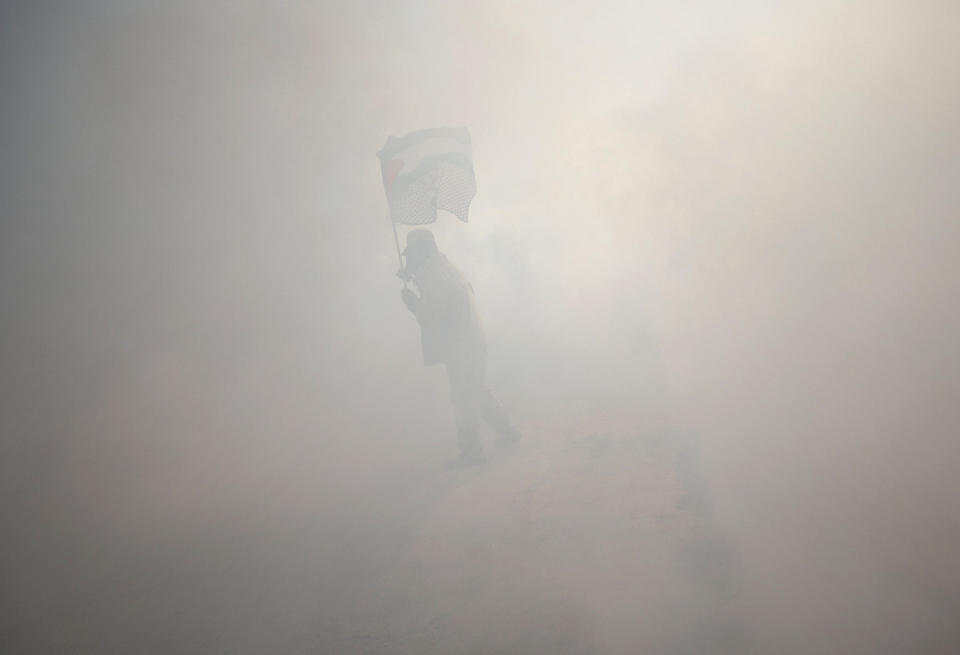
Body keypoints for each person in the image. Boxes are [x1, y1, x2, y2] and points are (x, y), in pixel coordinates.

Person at [399, 229, 520, 467]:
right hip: (471, 342)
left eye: (411, 254)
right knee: (476, 390)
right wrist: (413, 278)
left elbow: (433, 317)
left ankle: (473, 452)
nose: (409, 259)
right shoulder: (444, 269)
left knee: (463, 398)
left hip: (461, 346)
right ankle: (507, 429)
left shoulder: (434, 278)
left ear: (422, 251)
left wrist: (412, 303)